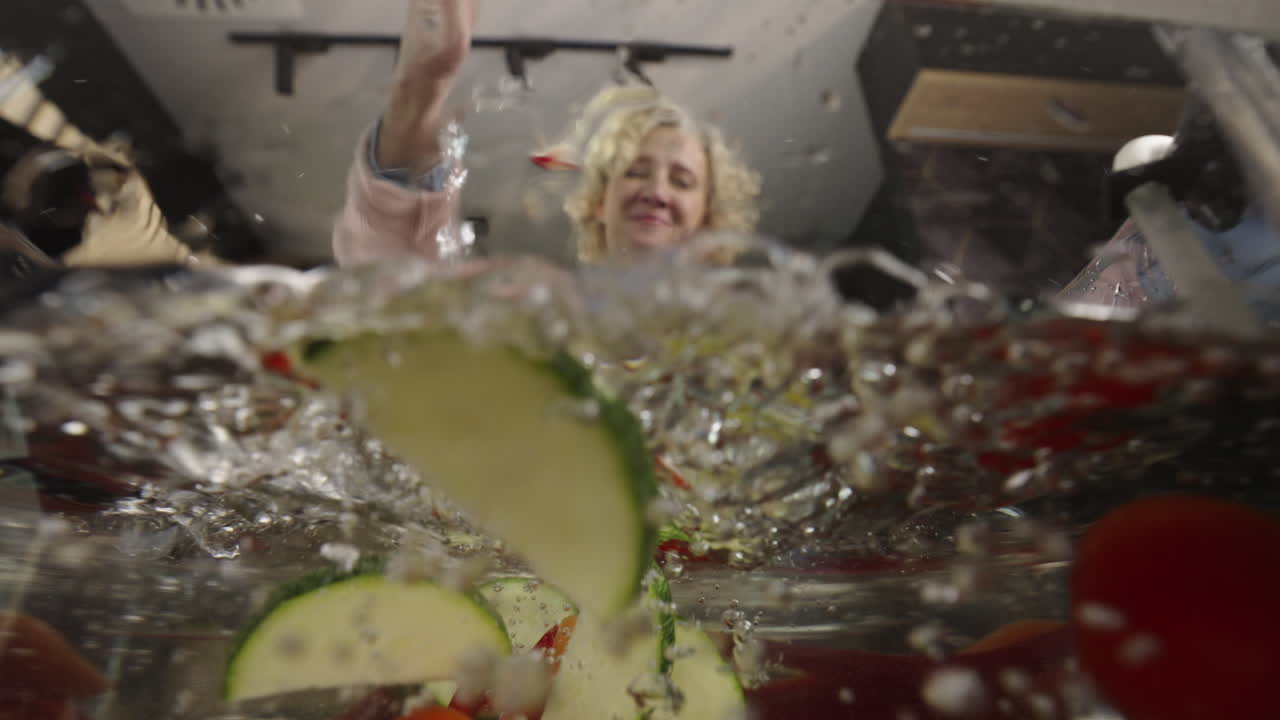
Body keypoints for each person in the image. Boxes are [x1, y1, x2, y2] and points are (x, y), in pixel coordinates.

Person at [332, 0, 760, 269]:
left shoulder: (744, 354)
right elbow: (397, 295)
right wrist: (418, 93)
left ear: (710, 221)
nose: (656, 191)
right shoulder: (545, 334)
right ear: (598, 203)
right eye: (634, 172)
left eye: (681, 180)